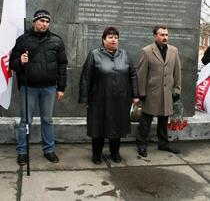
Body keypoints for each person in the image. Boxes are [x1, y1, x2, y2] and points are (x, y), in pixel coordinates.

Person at [9, 9, 68, 166]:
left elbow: (62, 66)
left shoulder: (56, 41)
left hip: (49, 88)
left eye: (47, 21)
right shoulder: (23, 40)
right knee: (26, 121)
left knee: (47, 120)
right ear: (35, 21)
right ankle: (22, 151)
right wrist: (20, 60)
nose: (45, 24)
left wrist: (61, 88)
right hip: (29, 87)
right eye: (42, 21)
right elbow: (12, 63)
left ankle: (48, 150)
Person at [78, 26, 139, 164]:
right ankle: (96, 154)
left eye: (116, 37)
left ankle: (115, 152)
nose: (114, 40)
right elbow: (85, 77)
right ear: (103, 40)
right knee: (98, 126)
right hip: (99, 98)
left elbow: (133, 76)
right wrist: (84, 98)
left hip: (120, 98)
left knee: (117, 126)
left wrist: (135, 95)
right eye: (110, 37)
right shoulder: (94, 54)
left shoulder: (125, 54)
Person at [133, 25, 181, 157]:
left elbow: (177, 72)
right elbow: (141, 74)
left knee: (164, 120)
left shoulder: (174, 50)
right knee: (145, 121)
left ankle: (163, 144)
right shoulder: (147, 51)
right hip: (151, 93)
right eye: (162, 35)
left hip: (167, 92)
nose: (165, 37)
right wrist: (140, 93)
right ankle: (141, 144)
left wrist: (177, 89)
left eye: (166, 35)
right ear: (155, 36)